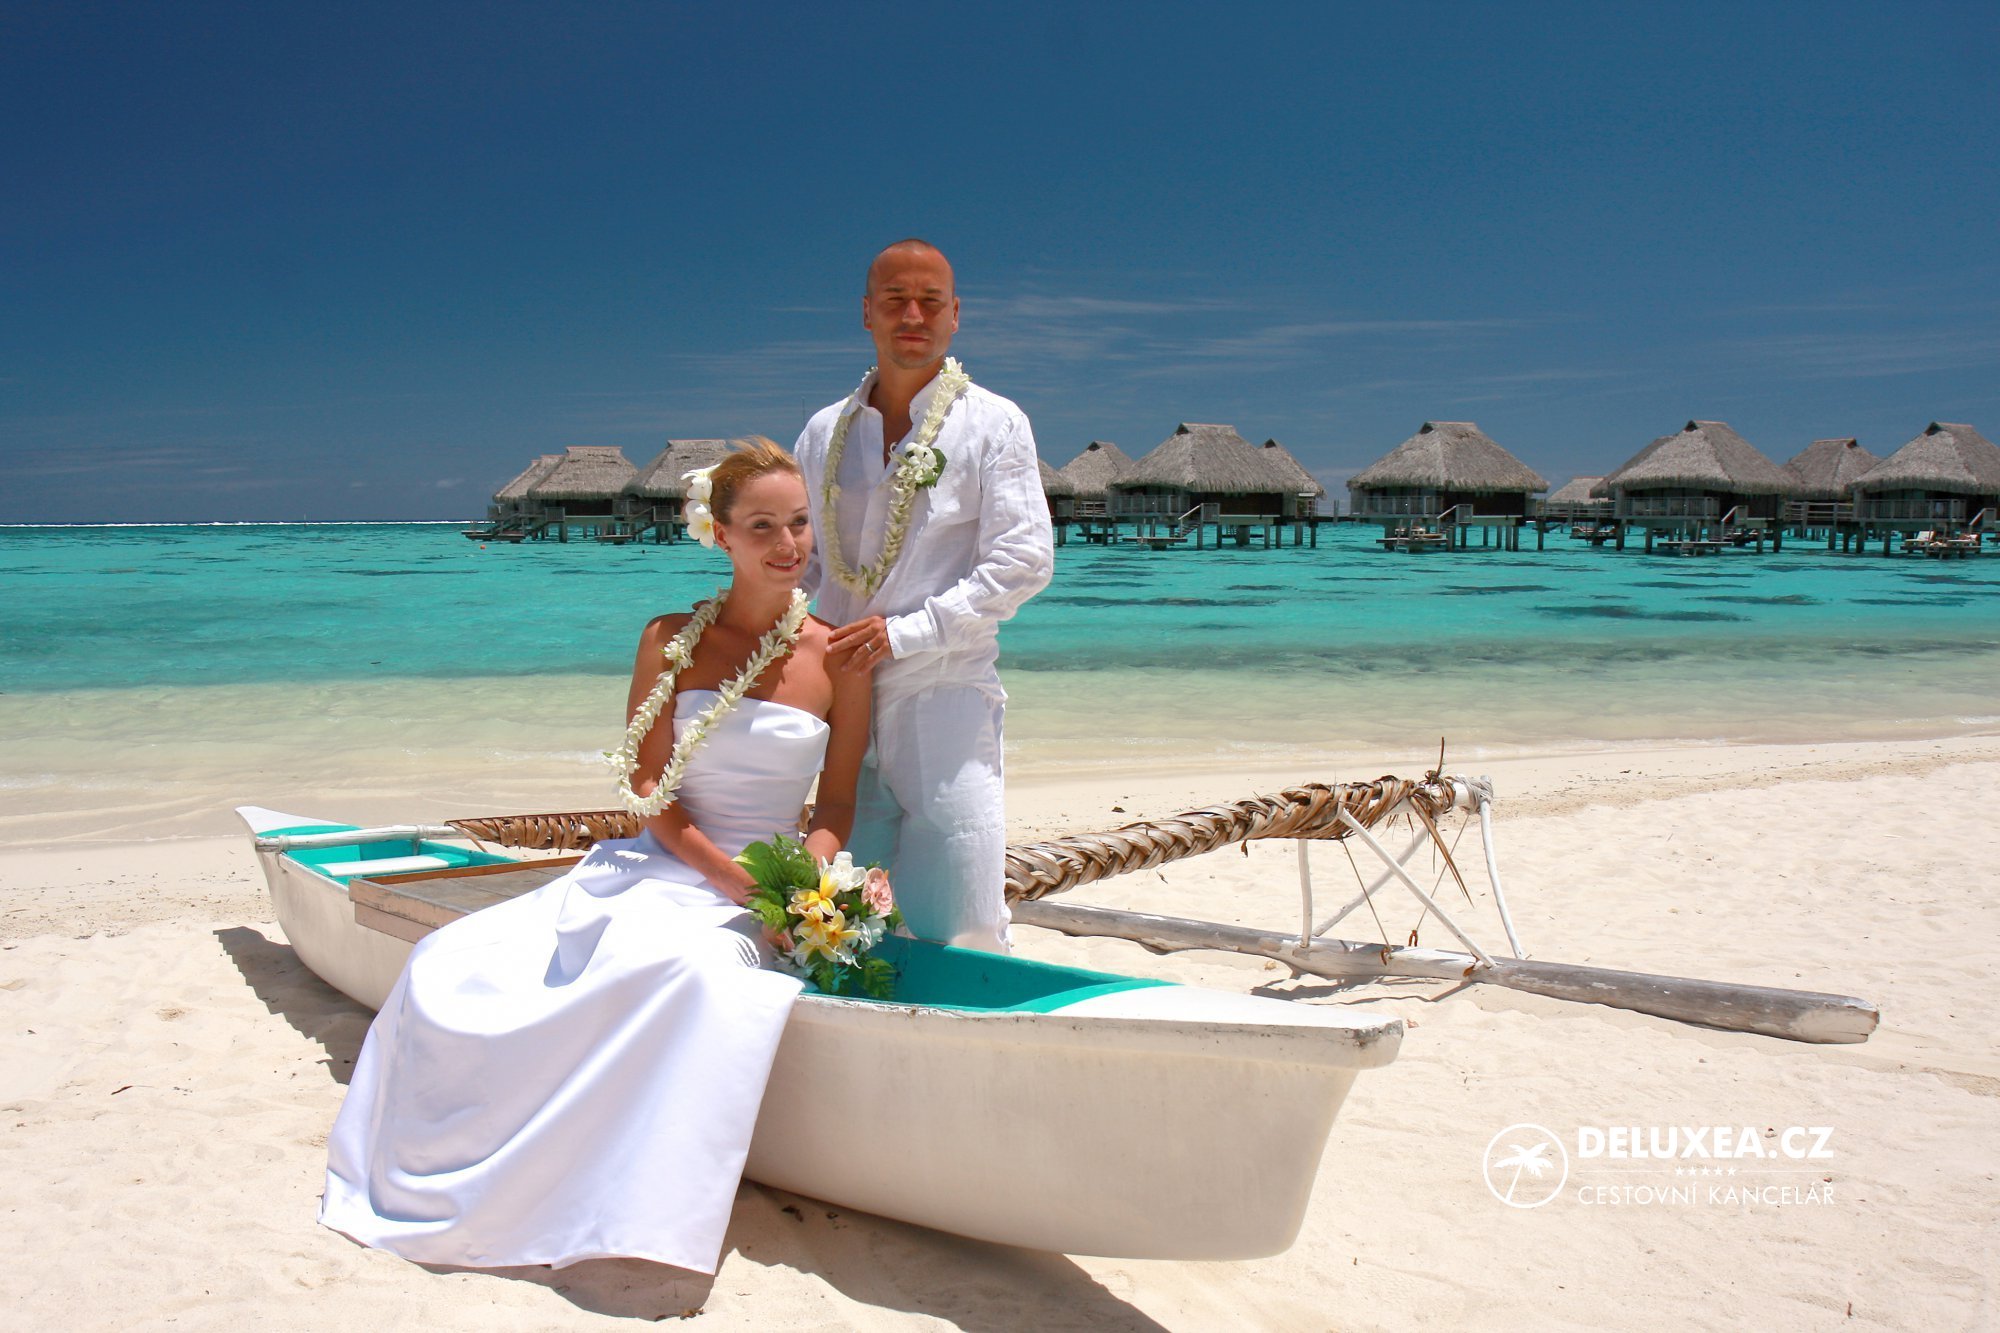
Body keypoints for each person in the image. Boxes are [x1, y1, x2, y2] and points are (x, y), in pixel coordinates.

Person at [320, 438, 871, 1274]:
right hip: (667, 864)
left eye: (798, 523)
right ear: (720, 533)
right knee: (448, 960)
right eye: (762, 525)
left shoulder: (838, 655)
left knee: (685, 971)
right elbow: (647, 787)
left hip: (769, 886)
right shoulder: (669, 639)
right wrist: (732, 878)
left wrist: (805, 888)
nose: (787, 543)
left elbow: (836, 804)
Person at [793, 239, 1054, 954]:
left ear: (955, 315)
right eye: (896, 300)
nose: (913, 315)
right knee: (844, 913)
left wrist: (905, 633)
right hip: (839, 701)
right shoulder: (823, 432)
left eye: (930, 302)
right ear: (867, 312)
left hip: (944, 689)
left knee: (963, 913)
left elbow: (1025, 560)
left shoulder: (995, 423)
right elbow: (807, 565)